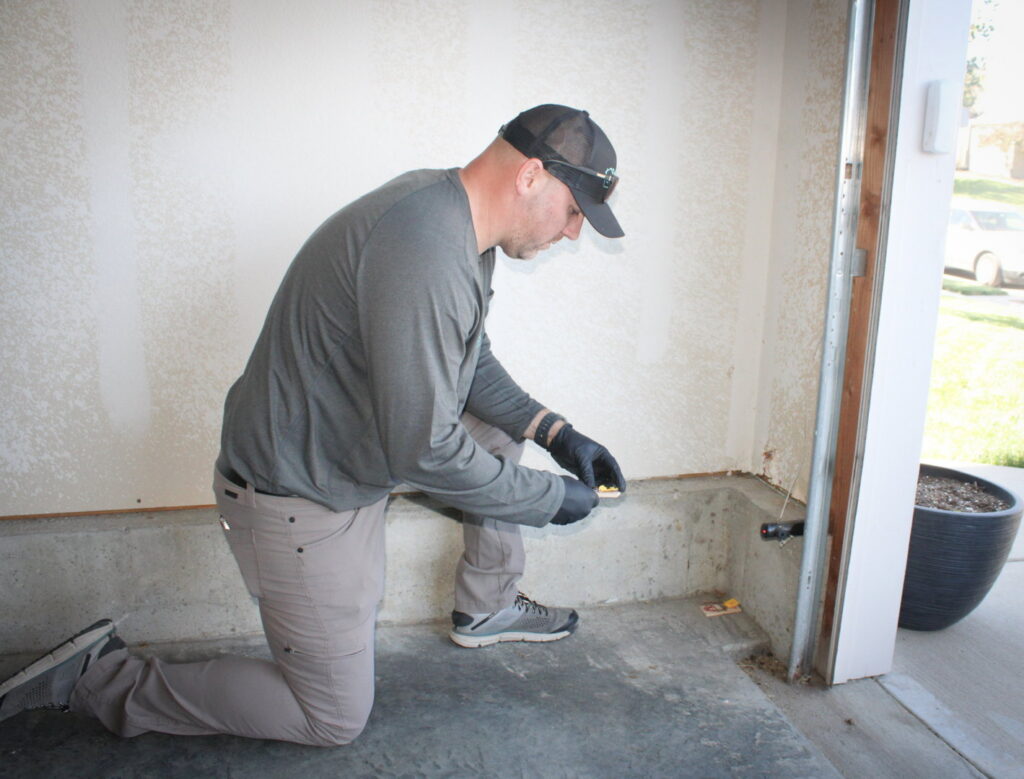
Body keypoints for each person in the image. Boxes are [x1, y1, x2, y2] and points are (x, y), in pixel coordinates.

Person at [0, 104, 626, 746]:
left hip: (343, 456)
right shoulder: (425, 247)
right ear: (531, 176)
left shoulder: (451, 216)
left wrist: (555, 432)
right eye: (575, 211)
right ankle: (99, 678)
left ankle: (486, 605)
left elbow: (467, 357)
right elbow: (425, 451)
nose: (574, 233)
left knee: (496, 433)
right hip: (298, 499)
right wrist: (550, 501)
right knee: (329, 717)